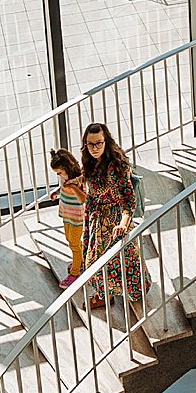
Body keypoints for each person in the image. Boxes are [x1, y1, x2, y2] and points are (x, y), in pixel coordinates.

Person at [78, 121, 147, 313]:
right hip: (96, 217)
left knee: (100, 261)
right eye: (91, 144)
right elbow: (90, 183)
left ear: (106, 141)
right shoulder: (90, 160)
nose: (95, 148)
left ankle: (105, 295)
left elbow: (128, 200)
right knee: (115, 259)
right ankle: (106, 294)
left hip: (114, 220)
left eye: (99, 143)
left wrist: (123, 224)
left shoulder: (115, 167)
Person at [47, 147, 88, 286]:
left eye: (59, 172)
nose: (59, 175)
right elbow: (63, 187)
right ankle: (81, 259)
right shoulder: (65, 178)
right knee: (69, 239)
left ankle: (75, 273)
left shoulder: (79, 179)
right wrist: (57, 192)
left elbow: (83, 198)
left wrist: (74, 187)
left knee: (74, 244)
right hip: (67, 214)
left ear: (66, 167)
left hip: (76, 217)